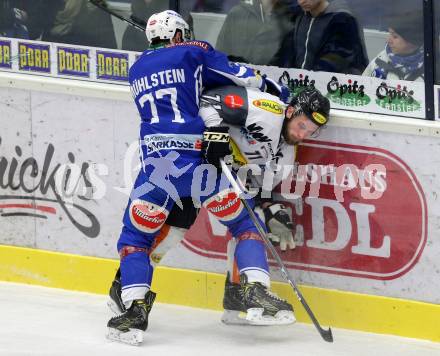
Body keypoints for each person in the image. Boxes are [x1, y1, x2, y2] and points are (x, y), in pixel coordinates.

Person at [106, 9, 291, 346]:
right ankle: (256, 291)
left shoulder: (135, 69)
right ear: (179, 34)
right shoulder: (194, 50)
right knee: (245, 225)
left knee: (135, 240)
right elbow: (240, 76)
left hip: (156, 170)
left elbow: (176, 85)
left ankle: (133, 311)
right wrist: (275, 88)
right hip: (198, 164)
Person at [107, 86, 330, 327]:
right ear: (289, 112)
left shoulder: (286, 154)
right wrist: (216, 136)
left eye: (311, 131)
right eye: (302, 125)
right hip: (189, 160)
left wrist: (270, 207)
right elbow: (207, 101)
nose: (303, 134)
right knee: (169, 234)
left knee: (250, 220)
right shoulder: (264, 108)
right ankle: (124, 288)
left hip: (217, 180)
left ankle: (238, 295)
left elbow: (258, 188)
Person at [272, 0, 368, 74]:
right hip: (302, 85)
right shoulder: (299, 17)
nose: (301, 1)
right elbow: (287, 56)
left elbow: (335, 61)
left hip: (336, 90)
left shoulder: (342, 20)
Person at [215, 0, 298, 64]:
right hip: (238, 80)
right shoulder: (238, 13)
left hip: (275, 81)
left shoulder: (293, 17)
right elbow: (220, 54)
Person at [362, 12, 424, 82]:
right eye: (390, 33)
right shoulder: (380, 60)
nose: (388, 40)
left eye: (395, 37)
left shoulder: (431, 69)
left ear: (412, 41)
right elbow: (362, 86)